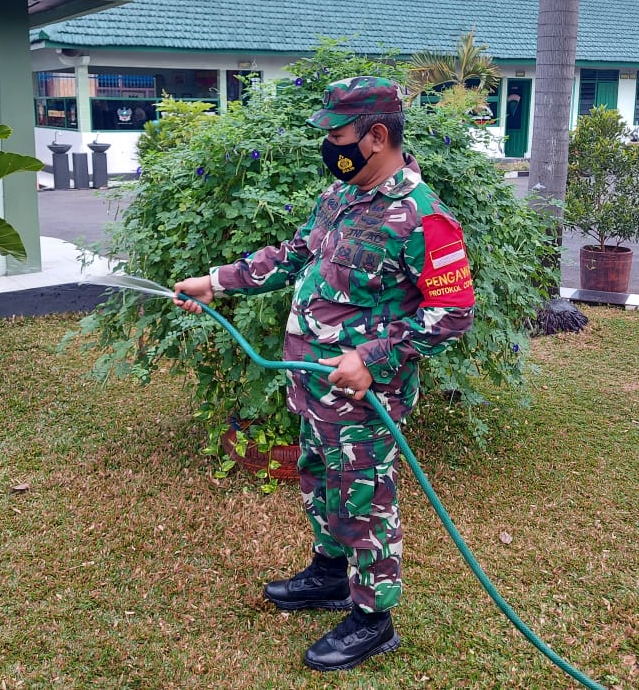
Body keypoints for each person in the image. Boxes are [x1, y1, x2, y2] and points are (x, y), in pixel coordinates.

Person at [173, 76, 475, 672]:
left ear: (377, 135)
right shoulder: (341, 197)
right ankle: (331, 574)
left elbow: (454, 313)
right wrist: (217, 282)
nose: (330, 147)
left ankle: (373, 616)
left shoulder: (423, 217)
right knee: (319, 476)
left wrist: (373, 357)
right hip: (313, 384)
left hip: (366, 397)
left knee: (361, 494)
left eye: (338, 136)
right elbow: (296, 254)